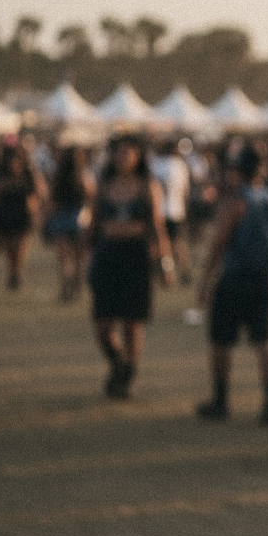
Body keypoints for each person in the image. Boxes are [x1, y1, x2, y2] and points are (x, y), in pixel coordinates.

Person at [195, 142, 268, 425]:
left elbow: (219, 243)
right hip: (263, 280)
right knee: (264, 341)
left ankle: (220, 401)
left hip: (234, 279)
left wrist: (205, 281)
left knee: (221, 341)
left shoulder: (236, 202)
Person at [86, 135, 177, 399]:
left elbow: (157, 227)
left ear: (138, 156)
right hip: (107, 254)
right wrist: (86, 256)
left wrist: (166, 264)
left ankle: (128, 373)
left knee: (131, 322)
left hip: (135, 255)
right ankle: (117, 362)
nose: (122, 156)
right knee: (102, 323)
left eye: (128, 151)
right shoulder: (103, 186)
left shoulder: (147, 186)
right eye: (118, 152)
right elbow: (93, 224)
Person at [0, 142, 41, 291]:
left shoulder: (29, 174)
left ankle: (16, 274)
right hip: (5, 214)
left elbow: (36, 193)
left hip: (22, 216)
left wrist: (35, 209)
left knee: (20, 248)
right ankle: (13, 273)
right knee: (9, 249)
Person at [44, 145, 96, 304]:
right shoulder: (85, 176)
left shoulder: (58, 177)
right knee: (80, 258)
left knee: (64, 259)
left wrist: (47, 220)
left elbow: (51, 201)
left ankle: (66, 288)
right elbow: (93, 197)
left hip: (60, 219)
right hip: (80, 219)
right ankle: (78, 287)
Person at [151, 139, 194, 284]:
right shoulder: (181, 165)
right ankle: (185, 270)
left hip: (160, 210)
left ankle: (167, 271)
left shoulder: (156, 164)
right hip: (177, 209)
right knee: (178, 242)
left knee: (162, 243)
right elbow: (186, 190)